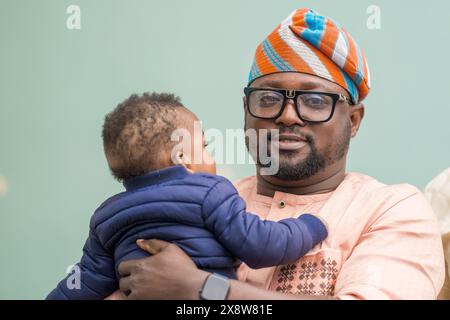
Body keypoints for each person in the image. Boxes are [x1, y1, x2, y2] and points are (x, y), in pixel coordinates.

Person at [114, 8, 445, 300]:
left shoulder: (390, 210)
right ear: (246, 109)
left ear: (354, 120)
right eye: (269, 98)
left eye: (314, 102)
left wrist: (203, 289)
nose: (288, 115)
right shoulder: (194, 199)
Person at [46, 92, 328, 299]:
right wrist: (309, 226)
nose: (210, 155)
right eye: (204, 145)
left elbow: (85, 282)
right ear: (182, 155)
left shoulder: (107, 216)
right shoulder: (211, 191)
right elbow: (263, 245)